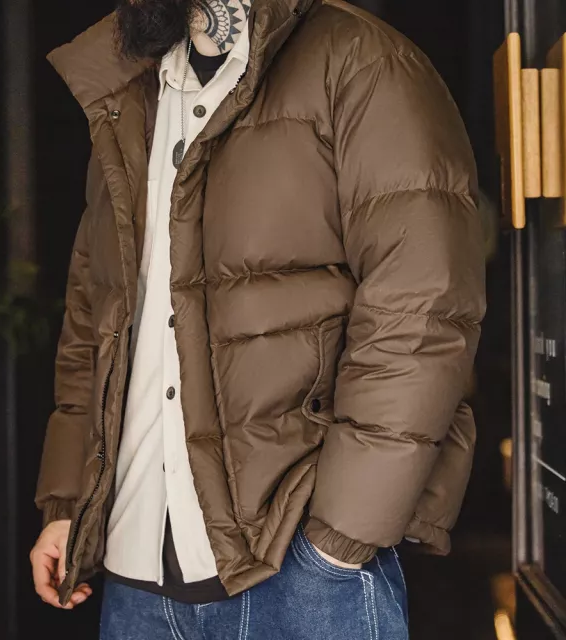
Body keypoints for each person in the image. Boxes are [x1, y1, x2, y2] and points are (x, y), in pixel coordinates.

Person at [29, 0, 486, 636]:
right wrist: (68, 502)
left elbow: (422, 305)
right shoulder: (130, 89)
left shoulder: (360, 60)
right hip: (135, 579)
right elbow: (94, 315)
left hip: (297, 567)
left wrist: (341, 536)